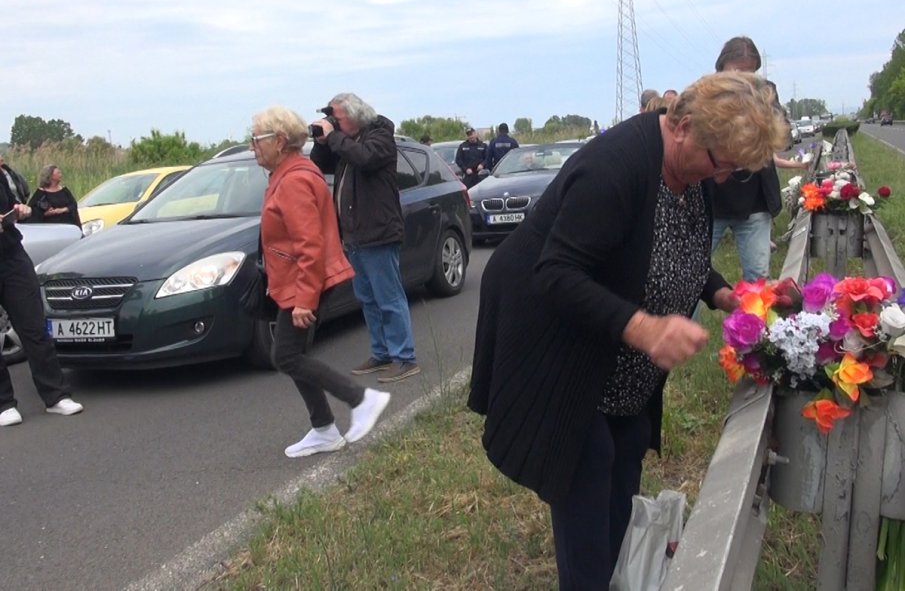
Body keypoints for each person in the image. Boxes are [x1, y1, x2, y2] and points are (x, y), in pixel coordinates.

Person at [467, 71, 787, 588]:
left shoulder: (693, 173)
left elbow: (675, 250)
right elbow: (555, 273)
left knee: (628, 441)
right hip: (555, 337)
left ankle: (617, 570)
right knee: (586, 462)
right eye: (717, 162)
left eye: (732, 168)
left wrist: (722, 293)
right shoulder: (613, 168)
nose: (721, 177)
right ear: (681, 126)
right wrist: (643, 328)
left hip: (612, 355)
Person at [251, 105, 392, 456]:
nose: (253, 145)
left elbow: (309, 244)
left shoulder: (295, 180)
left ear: (280, 141)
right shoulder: (288, 174)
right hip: (301, 281)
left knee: (286, 355)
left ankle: (361, 400)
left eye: (257, 139)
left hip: (307, 281)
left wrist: (303, 299)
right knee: (290, 354)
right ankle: (324, 429)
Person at [309, 93, 420, 383]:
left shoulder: (380, 137)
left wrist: (334, 137)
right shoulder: (346, 141)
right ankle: (381, 353)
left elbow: (365, 159)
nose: (334, 123)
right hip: (355, 236)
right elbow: (320, 164)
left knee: (389, 297)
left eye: (338, 117)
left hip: (379, 232)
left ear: (355, 115)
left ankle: (404, 358)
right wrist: (323, 141)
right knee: (368, 299)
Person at [705, 36, 808, 281]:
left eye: (750, 72)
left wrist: (761, 108)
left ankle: (755, 320)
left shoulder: (766, 93)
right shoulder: (707, 96)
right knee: (690, 275)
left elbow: (782, 136)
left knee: (758, 277)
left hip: (755, 202)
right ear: (721, 69)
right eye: (737, 71)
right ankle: (685, 320)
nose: (744, 79)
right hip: (711, 201)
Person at [1, 175, 84, 427]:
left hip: (12, 257)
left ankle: (55, 396)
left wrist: (19, 210)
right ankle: (4, 404)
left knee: (34, 328)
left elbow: (12, 203)